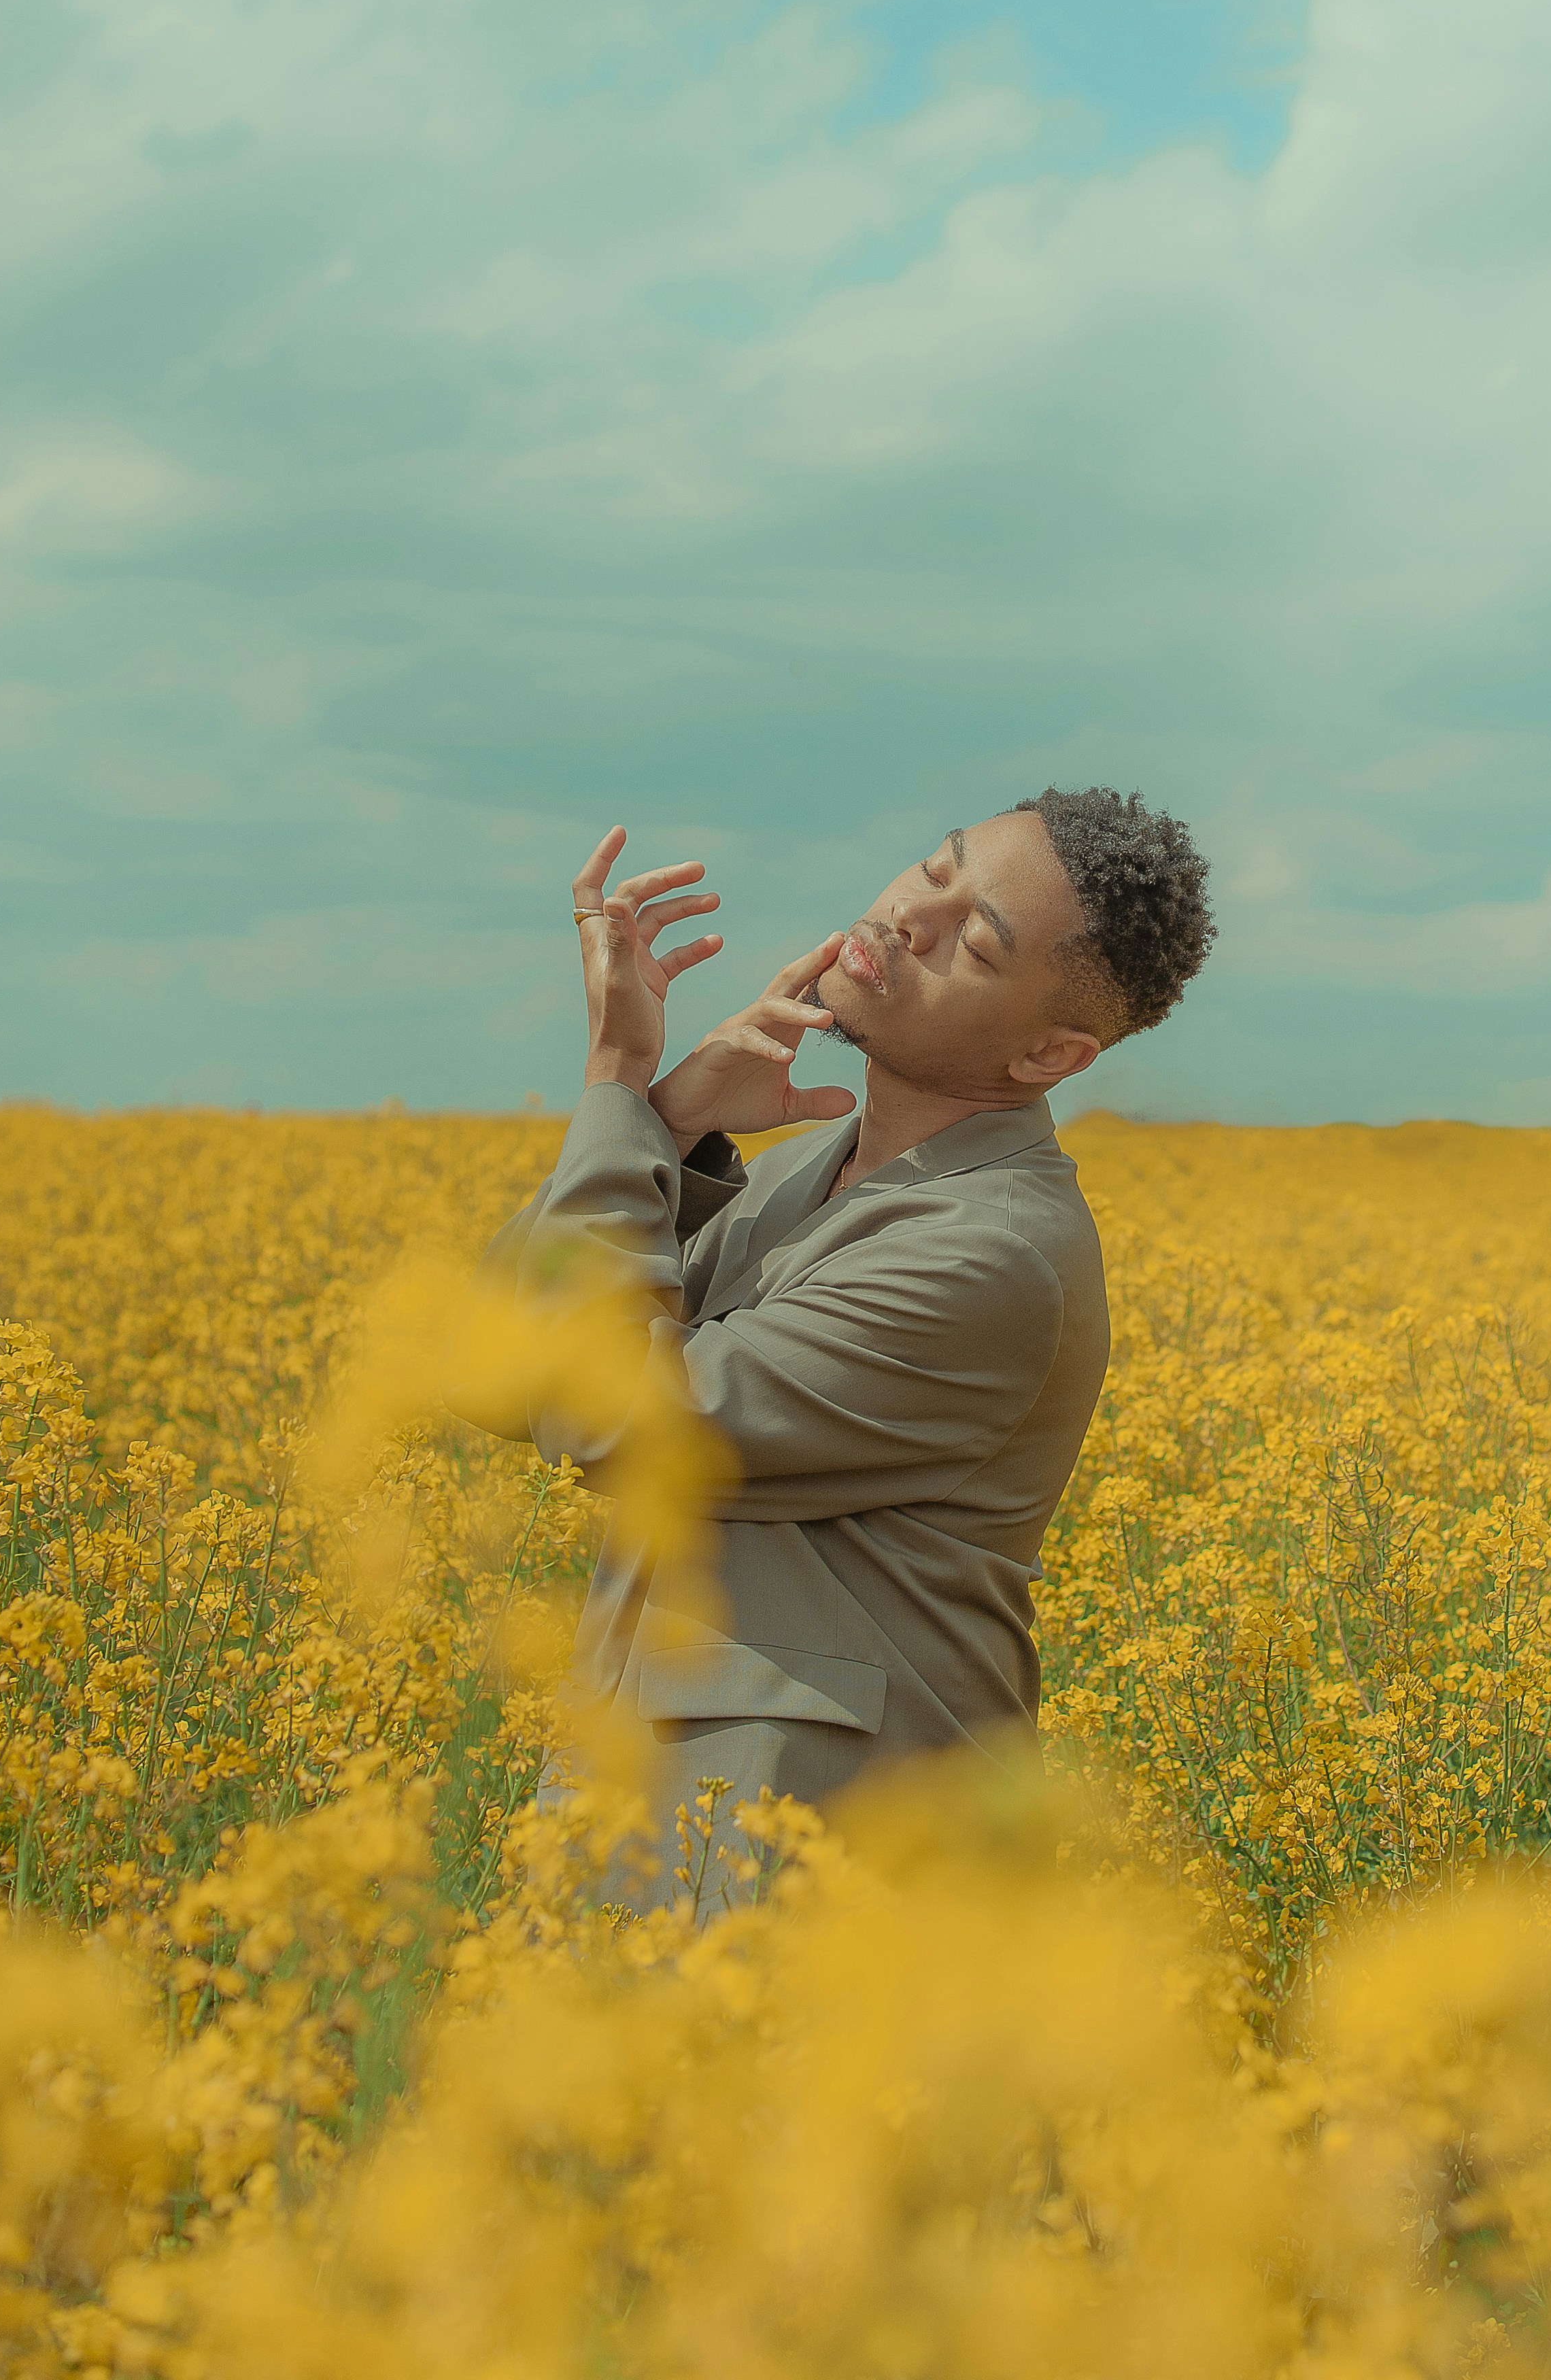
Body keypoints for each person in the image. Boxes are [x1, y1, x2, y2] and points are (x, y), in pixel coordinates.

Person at [478, 785, 1214, 1905]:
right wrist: (669, 1128)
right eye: (935, 869)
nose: (910, 919)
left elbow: (608, 1420)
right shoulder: (799, 1175)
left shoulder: (987, 1254)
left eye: (973, 940)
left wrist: (618, 1085)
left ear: (1048, 1056)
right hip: (650, 1832)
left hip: (820, 1878)